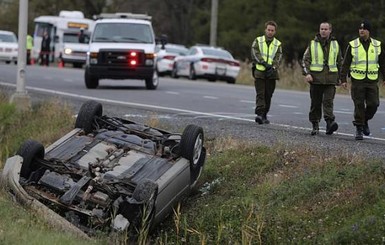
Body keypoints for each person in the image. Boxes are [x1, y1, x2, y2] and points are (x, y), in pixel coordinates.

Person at [340, 20, 385, 140]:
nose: (361, 31)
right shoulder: (353, 44)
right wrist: (343, 79)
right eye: (360, 29)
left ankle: (364, 120)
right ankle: (359, 128)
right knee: (358, 104)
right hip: (357, 80)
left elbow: (382, 63)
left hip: (372, 80)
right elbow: (346, 63)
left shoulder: (377, 45)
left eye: (364, 29)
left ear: (368, 31)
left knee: (374, 104)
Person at [302, 22, 342, 136]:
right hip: (316, 79)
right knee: (316, 103)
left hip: (330, 79)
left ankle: (330, 123)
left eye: (326, 29)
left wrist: (340, 77)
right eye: (321, 29)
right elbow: (305, 60)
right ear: (319, 30)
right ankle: (315, 124)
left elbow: (340, 61)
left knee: (328, 102)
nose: (323, 31)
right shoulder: (312, 44)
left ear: (330, 31)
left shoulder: (335, 44)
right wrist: (307, 73)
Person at [251, 20, 282, 124]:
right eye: (268, 30)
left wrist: (272, 67)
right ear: (265, 30)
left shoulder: (278, 44)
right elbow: (255, 53)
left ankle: (264, 114)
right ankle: (259, 114)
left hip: (271, 73)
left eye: (272, 30)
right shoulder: (258, 41)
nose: (270, 32)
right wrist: (264, 63)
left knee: (268, 94)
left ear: (275, 31)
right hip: (260, 71)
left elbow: (278, 57)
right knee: (260, 94)